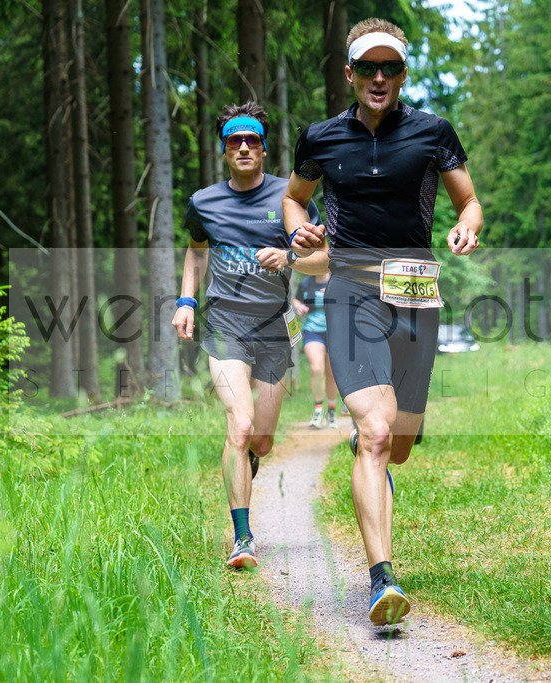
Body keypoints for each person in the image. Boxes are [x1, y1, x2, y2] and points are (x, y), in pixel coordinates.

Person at [284, 18, 483, 626]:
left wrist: (467, 225)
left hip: (416, 292)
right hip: (350, 289)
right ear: (350, 73)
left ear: (402, 74)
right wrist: (299, 231)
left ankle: (376, 438)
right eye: (368, 67)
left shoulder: (432, 132)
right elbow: (293, 198)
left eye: (389, 67)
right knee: (374, 431)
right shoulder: (320, 138)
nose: (378, 77)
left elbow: (468, 200)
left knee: (397, 446)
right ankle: (381, 579)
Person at [172, 102, 326, 570]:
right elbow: (197, 251)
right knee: (239, 425)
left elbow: (326, 256)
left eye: (252, 140)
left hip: (275, 327)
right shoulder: (204, 202)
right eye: (234, 141)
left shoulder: (290, 199)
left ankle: (247, 460)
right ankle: (243, 538)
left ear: (263, 148)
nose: (243, 147)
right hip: (226, 324)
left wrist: (290, 258)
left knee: (261, 441)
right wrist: (186, 301)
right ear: (224, 150)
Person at [292, 272, 343, 428]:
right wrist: (298, 306)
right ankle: (318, 410)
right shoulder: (306, 283)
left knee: (332, 374)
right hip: (312, 330)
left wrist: (333, 295)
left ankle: (331, 410)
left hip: (335, 331)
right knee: (316, 369)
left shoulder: (337, 280)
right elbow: (296, 299)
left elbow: (348, 302)